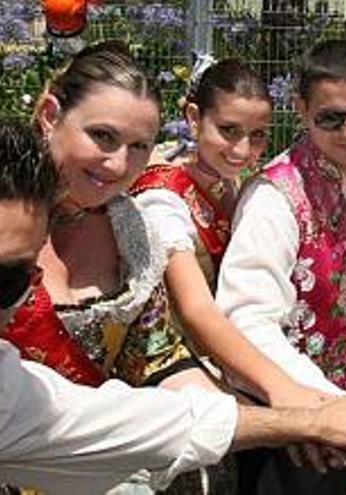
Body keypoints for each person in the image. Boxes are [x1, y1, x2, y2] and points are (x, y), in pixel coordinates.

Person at [0, 115, 346, 494]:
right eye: (102, 137)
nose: (117, 164)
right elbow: (199, 313)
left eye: (8, 281)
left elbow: (125, 406)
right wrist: (291, 400)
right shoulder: (166, 200)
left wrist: (307, 419)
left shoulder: (135, 220)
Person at [215, 38, 346, 493]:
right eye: (331, 119)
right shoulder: (275, 197)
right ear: (301, 109)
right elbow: (246, 320)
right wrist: (318, 408)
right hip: (300, 410)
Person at [1, 41, 191, 389]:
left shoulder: (131, 230)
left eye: (138, 147)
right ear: (49, 115)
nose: (119, 164)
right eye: (103, 136)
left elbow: (156, 361)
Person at [131, 58, 307, 405]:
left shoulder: (230, 182)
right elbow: (195, 310)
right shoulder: (162, 199)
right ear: (194, 119)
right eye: (228, 130)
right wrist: (281, 388)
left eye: (257, 135)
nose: (243, 150)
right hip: (180, 368)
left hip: (237, 353)